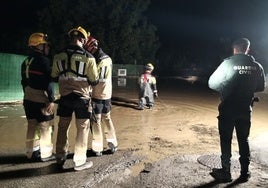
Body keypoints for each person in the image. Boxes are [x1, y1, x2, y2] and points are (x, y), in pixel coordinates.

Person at [208, 38, 265, 182]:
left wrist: (226, 87)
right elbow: (260, 87)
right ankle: (245, 173)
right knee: (244, 139)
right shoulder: (257, 66)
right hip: (246, 108)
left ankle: (226, 171)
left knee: (226, 139)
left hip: (228, 108)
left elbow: (212, 83)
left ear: (234, 49)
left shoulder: (228, 63)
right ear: (248, 49)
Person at [51, 26, 99, 171]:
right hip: (82, 99)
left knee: (62, 127)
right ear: (83, 40)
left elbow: (53, 77)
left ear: (71, 38)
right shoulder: (89, 58)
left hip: (64, 98)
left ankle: (60, 156)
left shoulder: (58, 56)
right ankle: (79, 161)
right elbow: (94, 80)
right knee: (82, 128)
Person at [21, 32, 55, 162]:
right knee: (45, 126)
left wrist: (27, 94)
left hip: (28, 99)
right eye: (45, 45)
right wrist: (51, 99)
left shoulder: (25, 62)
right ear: (38, 46)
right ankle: (46, 154)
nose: (47, 48)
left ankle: (31, 152)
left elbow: (23, 82)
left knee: (31, 126)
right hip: (41, 98)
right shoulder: (44, 61)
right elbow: (49, 82)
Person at [83, 36, 118, 156]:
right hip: (107, 96)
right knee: (107, 119)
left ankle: (97, 148)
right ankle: (113, 144)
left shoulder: (96, 60)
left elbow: (93, 79)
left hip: (97, 95)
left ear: (91, 47)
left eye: (87, 48)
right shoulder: (107, 58)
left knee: (96, 121)